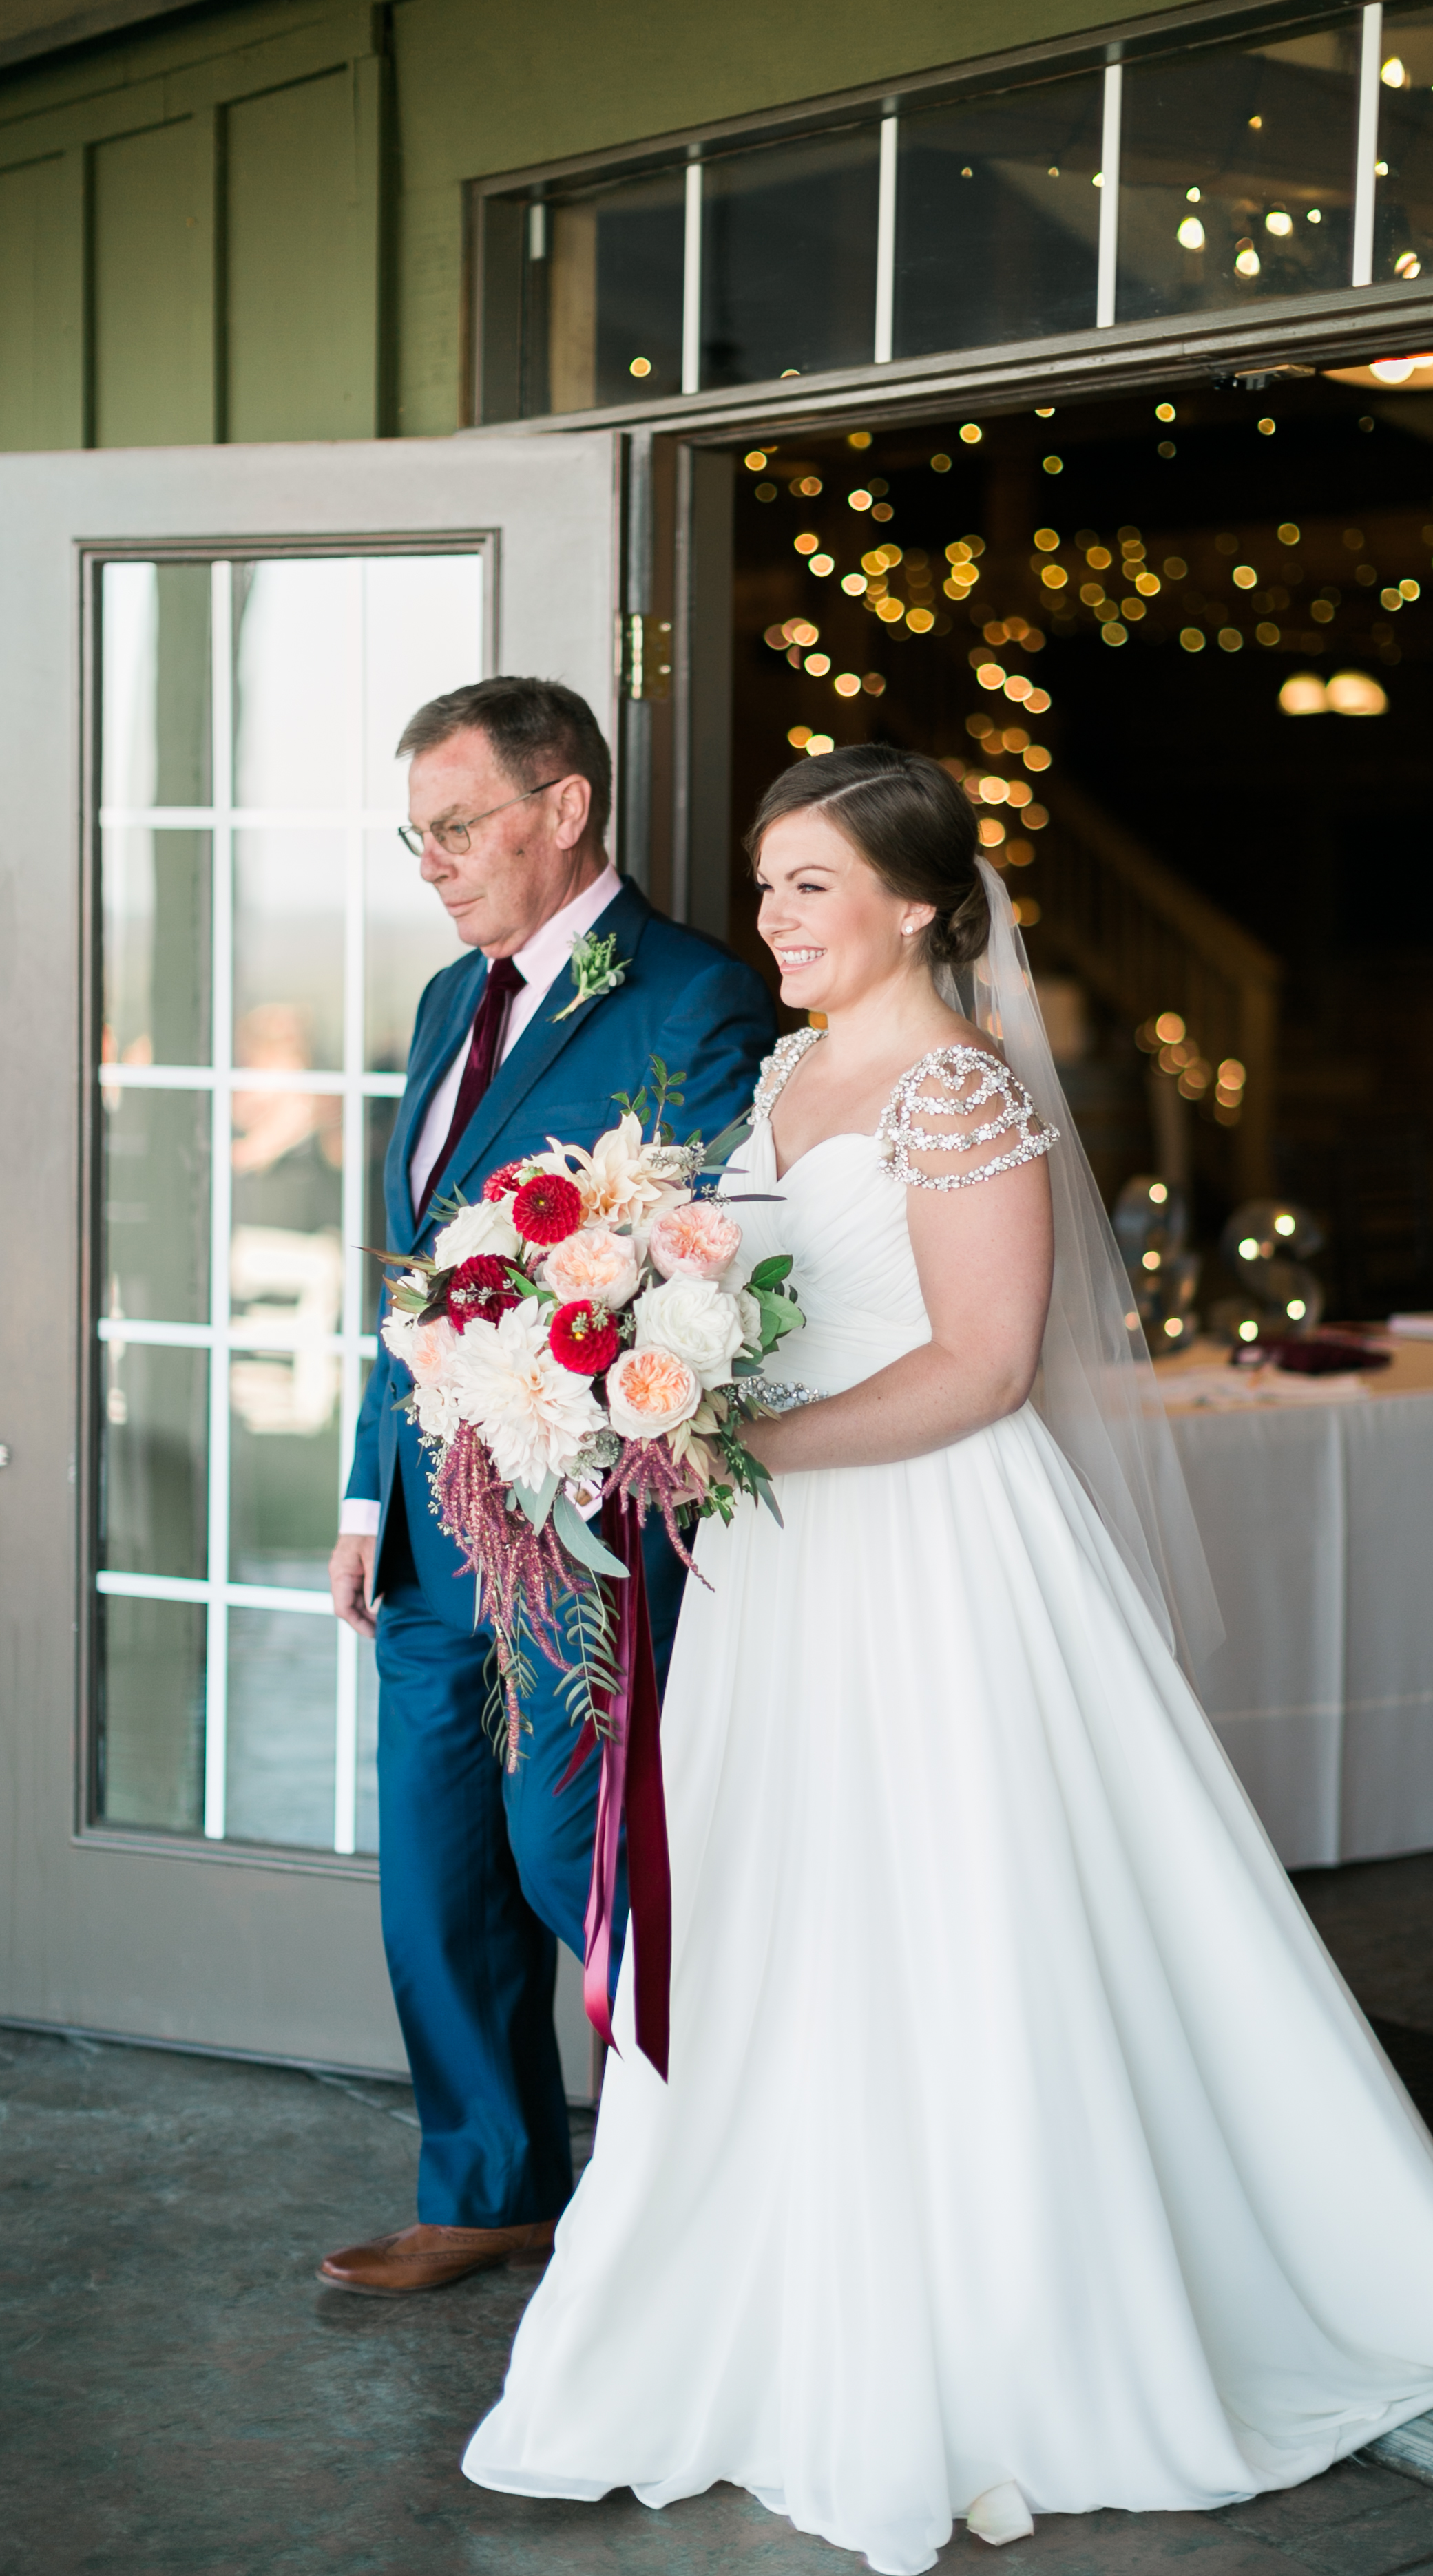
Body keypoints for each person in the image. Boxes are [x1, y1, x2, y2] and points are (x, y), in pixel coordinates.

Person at [461, 746, 1433, 2569]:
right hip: (776, 1577)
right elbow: (749, 1303)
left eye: (810, 884)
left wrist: (723, 1455)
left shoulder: (959, 1089)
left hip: (932, 1563)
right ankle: (760, 2286)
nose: (773, 919)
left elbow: (978, 1361)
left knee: (950, 1915)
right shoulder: (787, 1072)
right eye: (765, 884)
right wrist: (627, 1386)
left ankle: (997, 2318)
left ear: (912, 902)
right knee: (785, 1920)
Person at [322, 677, 775, 2297]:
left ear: (563, 806)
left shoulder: (694, 997)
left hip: (580, 1522)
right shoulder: (454, 997)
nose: (431, 861)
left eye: (456, 824)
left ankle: (733, 2155)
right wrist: (370, 1492)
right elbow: (419, 1272)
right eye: (416, 833)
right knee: (437, 1858)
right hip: (432, 1517)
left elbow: (702, 1260)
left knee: (563, 1840)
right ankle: (490, 2182)